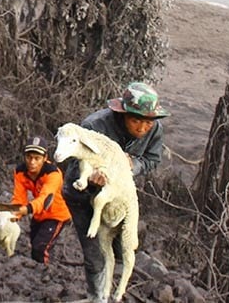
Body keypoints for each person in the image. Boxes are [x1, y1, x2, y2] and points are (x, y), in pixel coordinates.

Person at [61, 82, 169, 301]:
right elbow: (74, 167)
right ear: (122, 114)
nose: (141, 128)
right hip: (82, 196)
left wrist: (133, 165)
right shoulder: (95, 126)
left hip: (117, 195)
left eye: (147, 122)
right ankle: (97, 297)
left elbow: (152, 159)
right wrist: (91, 179)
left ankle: (125, 279)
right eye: (136, 120)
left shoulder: (154, 129)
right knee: (95, 253)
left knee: (123, 246)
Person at [11, 136, 72, 265]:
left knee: (40, 247)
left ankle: (44, 276)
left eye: (37, 158)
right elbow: (19, 197)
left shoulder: (53, 174)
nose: (32, 162)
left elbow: (45, 198)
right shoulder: (20, 172)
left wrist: (26, 209)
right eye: (29, 157)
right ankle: (35, 273)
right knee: (34, 245)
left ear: (45, 158)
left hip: (57, 215)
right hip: (39, 214)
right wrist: (13, 214)